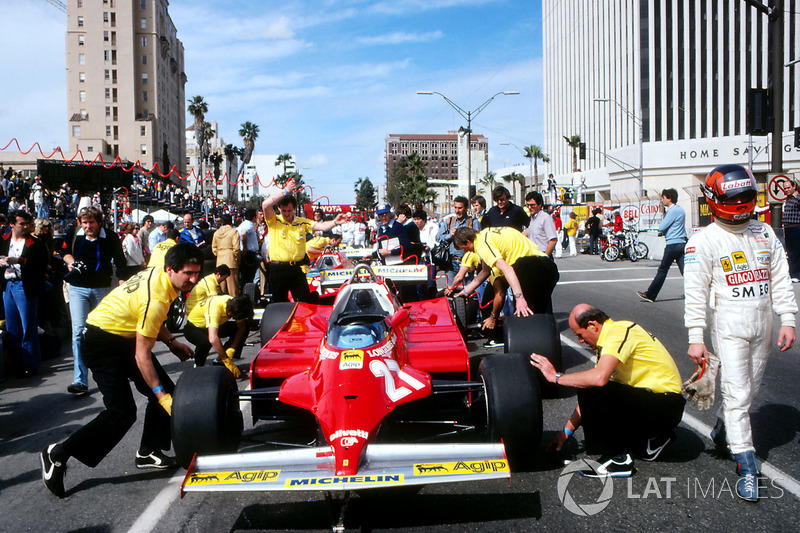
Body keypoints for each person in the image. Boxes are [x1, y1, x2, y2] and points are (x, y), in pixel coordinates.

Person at [40, 243, 204, 498]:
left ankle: (148, 452)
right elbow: (142, 355)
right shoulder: (158, 297)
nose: (193, 279)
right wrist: (161, 396)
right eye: (188, 273)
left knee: (166, 392)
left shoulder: (161, 273)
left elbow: (146, 319)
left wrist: (172, 342)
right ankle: (58, 453)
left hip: (122, 335)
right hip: (99, 342)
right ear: (170, 270)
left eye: (197, 272)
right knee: (123, 412)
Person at [684, 164, 797, 502]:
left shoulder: (764, 233)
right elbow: (695, 292)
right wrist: (695, 335)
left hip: (764, 322)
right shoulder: (703, 241)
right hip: (728, 323)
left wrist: (788, 318)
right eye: (735, 197)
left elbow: (780, 278)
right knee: (737, 394)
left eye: (748, 196)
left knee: (748, 389)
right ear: (715, 199)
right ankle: (746, 464)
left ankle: (722, 429)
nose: (743, 203)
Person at [532, 304, 684, 478]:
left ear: (592, 325)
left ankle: (618, 459)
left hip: (666, 406)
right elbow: (594, 388)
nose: (581, 341)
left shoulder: (619, 331)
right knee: (593, 387)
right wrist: (566, 432)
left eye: (579, 335)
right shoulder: (607, 344)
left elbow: (597, 381)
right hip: (661, 405)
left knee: (594, 387)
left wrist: (556, 377)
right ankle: (654, 438)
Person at [61, 206, 126, 395]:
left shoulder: (111, 237)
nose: (88, 226)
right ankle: (80, 380)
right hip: (78, 287)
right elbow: (63, 252)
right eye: (84, 222)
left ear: (99, 222)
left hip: (102, 288)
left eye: (91, 222)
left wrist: (122, 282)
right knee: (78, 332)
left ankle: (110, 372)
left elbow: (120, 261)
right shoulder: (75, 233)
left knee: (104, 330)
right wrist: (71, 262)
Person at [262, 179, 344, 303]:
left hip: (296, 270)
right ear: (279, 209)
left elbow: (321, 227)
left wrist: (335, 222)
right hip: (277, 270)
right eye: (283, 211)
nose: (286, 214)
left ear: (294, 208)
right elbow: (265, 204)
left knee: (305, 303)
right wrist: (285, 191)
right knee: (279, 305)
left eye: (289, 211)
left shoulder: (302, 222)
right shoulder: (274, 220)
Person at [453, 226, 559, 316]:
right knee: (541, 313)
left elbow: (507, 268)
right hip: (547, 265)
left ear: (468, 242)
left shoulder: (481, 245)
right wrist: (465, 291)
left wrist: (519, 297)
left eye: (463, 248)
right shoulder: (486, 233)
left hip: (531, 267)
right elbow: (485, 272)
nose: (464, 251)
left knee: (524, 313)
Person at [0, 210, 49, 377]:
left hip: (25, 285)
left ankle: (31, 364)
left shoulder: (34, 242)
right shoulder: (4, 239)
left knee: (28, 324)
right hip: (8, 284)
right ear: (12, 224)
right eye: (22, 223)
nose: (26, 226)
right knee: (12, 326)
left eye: (28, 223)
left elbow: (40, 263)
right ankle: (15, 364)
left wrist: (19, 260)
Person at [182, 294, 253, 374]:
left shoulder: (236, 304)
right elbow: (213, 338)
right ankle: (198, 367)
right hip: (194, 327)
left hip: (211, 325)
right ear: (230, 311)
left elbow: (241, 327)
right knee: (205, 342)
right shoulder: (215, 309)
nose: (233, 319)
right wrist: (226, 360)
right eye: (234, 317)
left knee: (246, 327)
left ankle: (220, 360)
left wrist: (233, 347)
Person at [637, 188, 687, 302]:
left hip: (672, 244)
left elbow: (662, 227)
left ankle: (651, 294)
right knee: (685, 271)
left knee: (663, 270)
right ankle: (696, 292)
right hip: (681, 243)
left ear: (669, 199)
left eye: (663, 198)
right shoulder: (680, 210)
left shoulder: (673, 211)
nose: (662, 200)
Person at [435, 196, 480, 286]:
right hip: (451, 263)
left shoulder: (473, 222)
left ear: (466, 208)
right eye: (455, 207)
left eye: (460, 208)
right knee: (450, 291)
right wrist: (449, 236)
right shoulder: (449, 221)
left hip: (467, 263)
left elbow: (478, 241)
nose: (457, 210)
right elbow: (438, 237)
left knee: (469, 292)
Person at [211, 214, 241, 297]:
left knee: (221, 289)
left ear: (221, 223)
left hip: (220, 260)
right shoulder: (234, 231)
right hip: (231, 260)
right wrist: (237, 259)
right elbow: (236, 248)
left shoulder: (216, 233)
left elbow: (214, 248)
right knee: (233, 289)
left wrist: (219, 254)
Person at [524, 191, 558, 258]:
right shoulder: (532, 218)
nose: (530, 208)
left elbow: (553, 240)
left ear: (540, 204)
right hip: (532, 256)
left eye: (532, 205)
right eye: (528, 205)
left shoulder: (546, 218)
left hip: (542, 255)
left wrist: (545, 257)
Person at [780, 178, 800, 282]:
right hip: (787, 228)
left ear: (794, 187)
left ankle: (797, 274)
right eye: (785, 188)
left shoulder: (798, 198)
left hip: (796, 228)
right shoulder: (788, 199)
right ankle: (793, 274)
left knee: (796, 252)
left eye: (788, 187)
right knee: (790, 252)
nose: (786, 190)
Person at [237, 208, 260, 290]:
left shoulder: (242, 224)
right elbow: (243, 234)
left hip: (245, 253)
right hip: (249, 254)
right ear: (254, 217)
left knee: (245, 277)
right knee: (249, 277)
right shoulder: (249, 225)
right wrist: (245, 246)